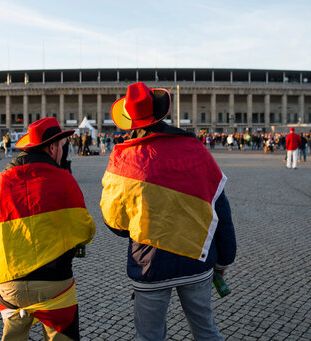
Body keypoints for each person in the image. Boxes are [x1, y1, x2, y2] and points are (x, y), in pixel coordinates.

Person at [100, 82, 237, 341]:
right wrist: (224, 260)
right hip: (197, 258)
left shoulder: (124, 159)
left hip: (149, 264)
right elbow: (220, 209)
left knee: (150, 336)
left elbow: (114, 221)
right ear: (162, 113)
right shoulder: (196, 150)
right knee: (206, 331)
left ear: (130, 121)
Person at [0, 117, 96, 341]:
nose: (62, 151)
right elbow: (86, 231)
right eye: (61, 146)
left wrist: (7, 236)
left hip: (11, 284)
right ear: (51, 147)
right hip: (55, 283)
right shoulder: (64, 180)